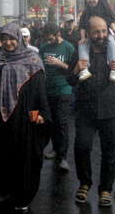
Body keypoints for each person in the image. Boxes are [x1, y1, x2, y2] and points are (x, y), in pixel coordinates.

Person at [0, 23, 51, 213]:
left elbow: (39, 91)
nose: (9, 42)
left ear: (19, 38)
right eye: (5, 39)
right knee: (1, 154)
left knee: (23, 156)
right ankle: (2, 189)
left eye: (12, 39)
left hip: (24, 117)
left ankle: (22, 196)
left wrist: (41, 113)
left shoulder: (33, 59)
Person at [66, 16, 115, 207]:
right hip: (85, 111)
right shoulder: (80, 52)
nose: (101, 35)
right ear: (88, 33)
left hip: (111, 109)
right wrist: (75, 70)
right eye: (97, 31)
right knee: (82, 147)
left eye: (104, 31)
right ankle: (84, 184)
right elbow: (69, 81)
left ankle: (105, 189)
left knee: (109, 152)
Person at [39, 22, 74, 170]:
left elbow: (74, 69)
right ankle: (55, 149)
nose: (48, 42)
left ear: (58, 35)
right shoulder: (43, 48)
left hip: (63, 88)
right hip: (47, 89)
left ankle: (63, 157)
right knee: (49, 122)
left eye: (51, 39)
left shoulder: (68, 47)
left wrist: (60, 63)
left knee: (61, 122)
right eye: (46, 39)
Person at [77, 0, 115, 82]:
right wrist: (82, 38)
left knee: (111, 42)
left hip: (105, 36)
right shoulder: (86, 13)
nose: (91, 0)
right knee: (82, 44)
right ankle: (84, 69)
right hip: (90, 37)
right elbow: (82, 27)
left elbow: (110, 20)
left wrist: (114, 29)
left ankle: (114, 68)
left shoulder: (104, 9)